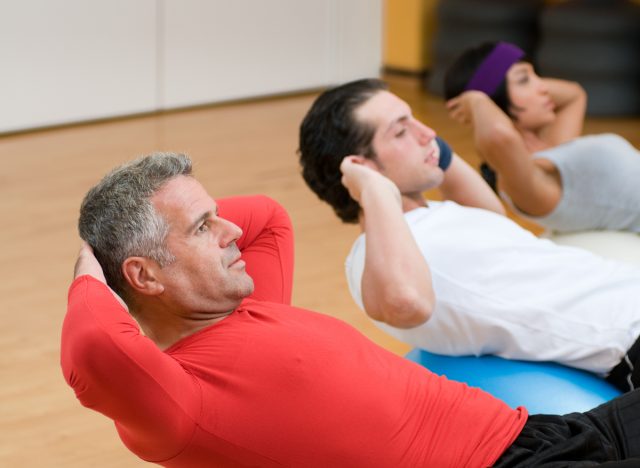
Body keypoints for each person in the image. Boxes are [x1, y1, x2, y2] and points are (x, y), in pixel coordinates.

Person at [61, 152, 640, 467]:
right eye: (205, 226)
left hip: (540, 433)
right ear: (143, 275)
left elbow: (266, 216)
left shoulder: (241, 305)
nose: (231, 230)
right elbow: (96, 344)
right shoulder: (181, 403)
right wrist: (94, 262)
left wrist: (169, 233)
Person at [298, 78, 640, 393]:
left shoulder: (434, 216)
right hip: (628, 335)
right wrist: (372, 189)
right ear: (362, 168)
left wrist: (423, 143)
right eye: (401, 131)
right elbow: (405, 304)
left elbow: (492, 215)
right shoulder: (374, 257)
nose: (428, 132)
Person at [443, 41, 640, 233]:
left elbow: (574, 94)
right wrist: (478, 97)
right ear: (495, 100)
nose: (543, 87)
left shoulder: (552, 145)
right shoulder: (526, 181)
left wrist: (515, 74)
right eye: (524, 80)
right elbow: (498, 135)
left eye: (536, 75)